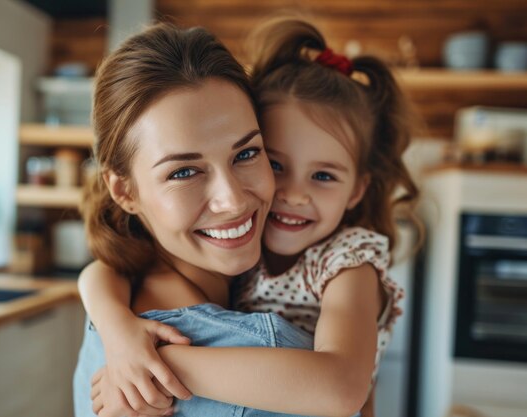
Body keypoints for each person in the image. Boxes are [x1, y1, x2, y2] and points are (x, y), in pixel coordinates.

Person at [76, 17, 420, 417]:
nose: (234, 201)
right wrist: (120, 333)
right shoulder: (163, 329)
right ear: (124, 190)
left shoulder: (296, 262)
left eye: (246, 154)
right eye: (183, 172)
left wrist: (152, 359)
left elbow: (347, 388)